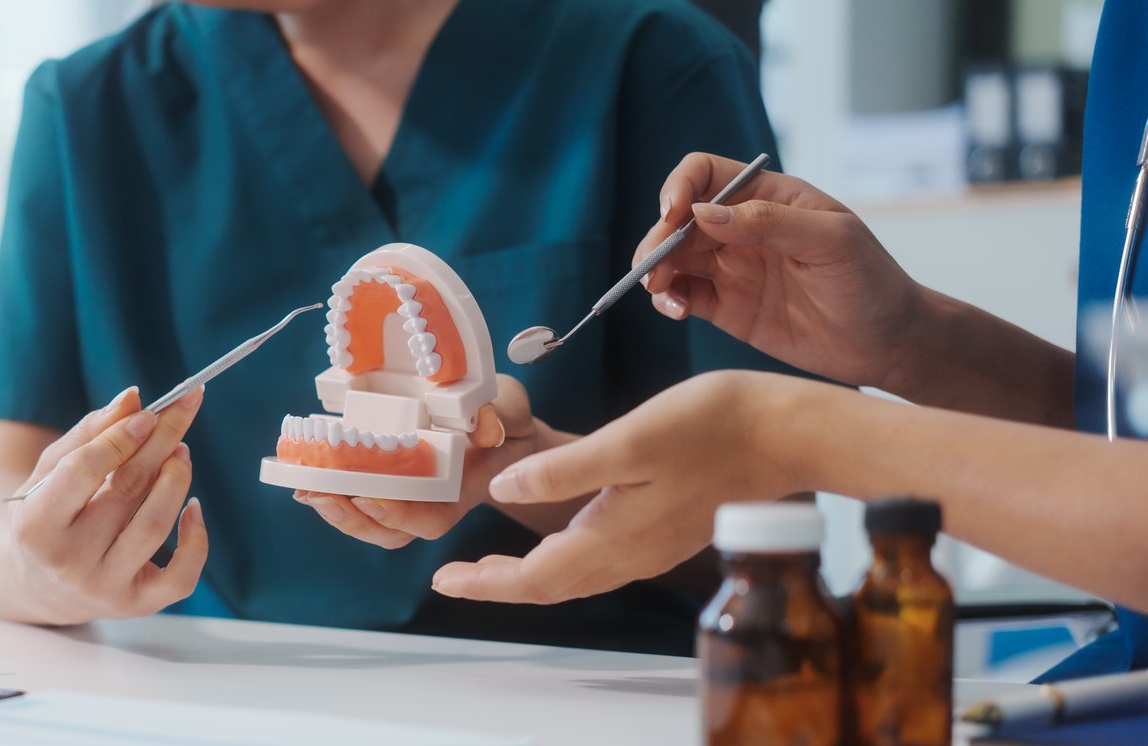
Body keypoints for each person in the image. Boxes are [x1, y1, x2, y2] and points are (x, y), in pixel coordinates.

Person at [0, 0, 796, 654]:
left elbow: (770, 523)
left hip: (578, 690)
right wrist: (39, 566)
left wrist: (527, 471)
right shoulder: (88, 106)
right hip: (209, 687)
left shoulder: (651, 61)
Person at [428, 0, 1148, 677]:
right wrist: (909, 339)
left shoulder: (651, 53)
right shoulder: (1127, 31)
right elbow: (1120, 438)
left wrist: (791, 435)